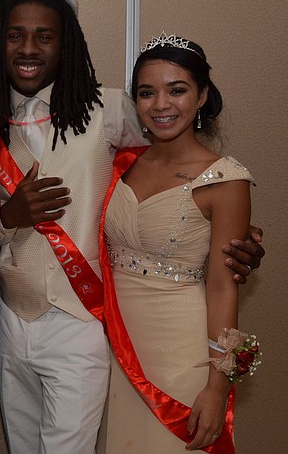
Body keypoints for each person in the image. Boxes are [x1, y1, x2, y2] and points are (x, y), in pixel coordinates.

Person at [0, 0, 265, 453]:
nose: (28, 48)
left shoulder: (108, 109)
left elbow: (179, 153)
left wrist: (235, 234)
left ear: (66, 43)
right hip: (10, 318)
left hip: (81, 320)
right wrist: (6, 217)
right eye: (15, 35)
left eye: (45, 36)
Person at [99, 33, 256, 453]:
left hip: (179, 352)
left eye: (177, 90)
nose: (161, 104)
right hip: (111, 349)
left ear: (202, 96)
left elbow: (223, 288)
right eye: (147, 92)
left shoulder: (225, 179)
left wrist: (218, 386)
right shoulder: (120, 163)